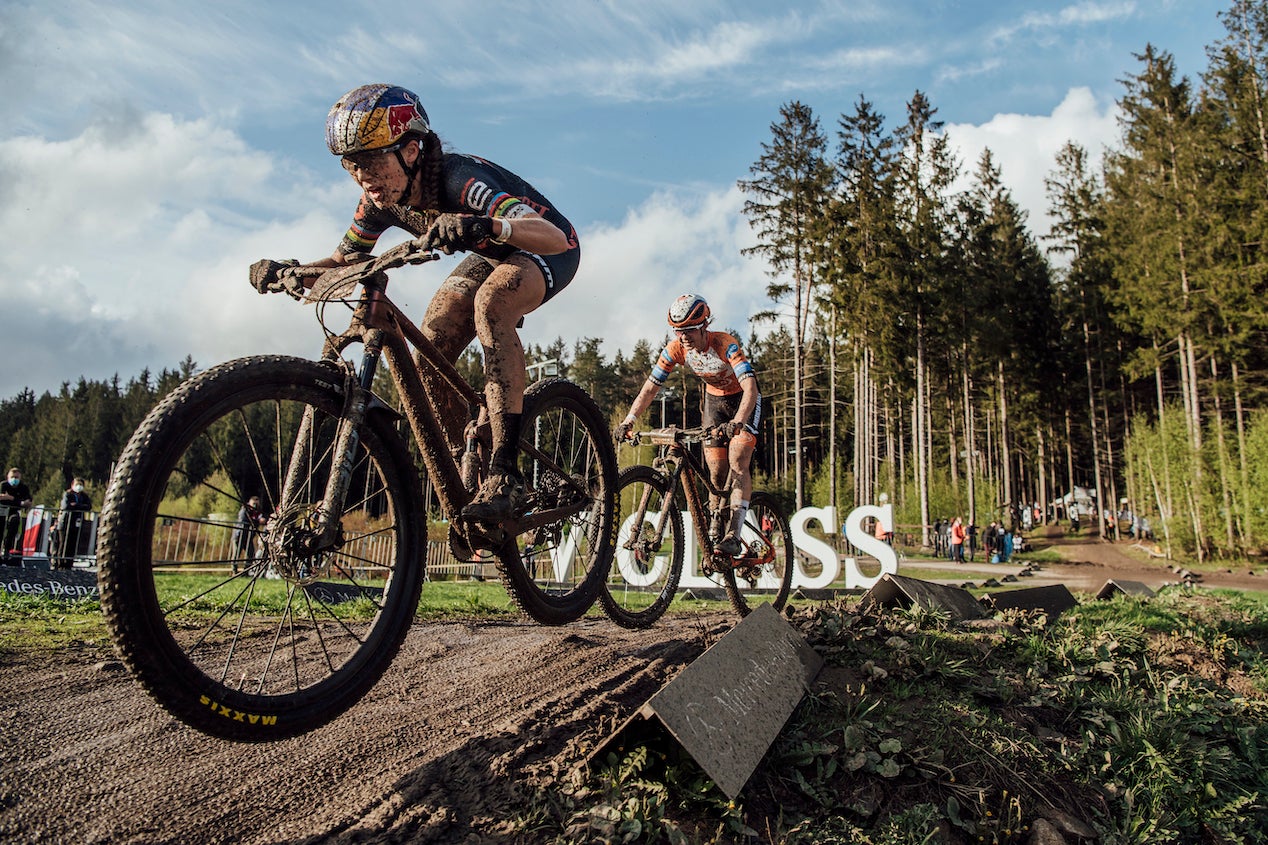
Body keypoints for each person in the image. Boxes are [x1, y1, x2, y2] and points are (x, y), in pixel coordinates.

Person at [250, 84, 580, 525]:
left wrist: (483, 223)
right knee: (432, 344)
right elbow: (343, 261)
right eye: (350, 163)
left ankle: (506, 472)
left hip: (543, 244)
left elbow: (553, 237)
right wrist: (288, 270)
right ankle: (471, 463)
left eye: (370, 159)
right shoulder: (377, 202)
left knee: (491, 304)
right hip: (490, 251)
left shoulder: (458, 178)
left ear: (410, 150)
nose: (361, 174)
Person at [615, 294, 760, 557]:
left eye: (689, 330)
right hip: (714, 403)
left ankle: (734, 535)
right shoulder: (675, 349)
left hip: (743, 401)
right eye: (678, 331)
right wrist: (629, 419)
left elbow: (750, 385)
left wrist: (739, 421)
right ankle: (716, 524)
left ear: (704, 325)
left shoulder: (725, 344)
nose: (683, 337)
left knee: (738, 460)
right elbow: (650, 388)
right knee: (716, 473)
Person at [53, 477, 92, 570]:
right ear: (72, 485)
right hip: (65, 522)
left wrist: (76, 506)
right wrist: (79, 506)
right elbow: (66, 506)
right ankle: (60, 564)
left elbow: (88, 507)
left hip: (77, 523)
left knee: (73, 544)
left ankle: (69, 564)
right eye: (77, 484)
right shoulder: (67, 494)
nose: (79, 487)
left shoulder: (84, 496)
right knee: (63, 543)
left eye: (81, 485)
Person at [0, 467, 33, 563]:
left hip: (14, 512)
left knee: (13, 525)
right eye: (12, 477)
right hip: (2, 511)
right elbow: (2, 498)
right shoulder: (3, 485)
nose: (14, 479)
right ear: (8, 477)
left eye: (16, 477)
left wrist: (11, 498)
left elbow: (27, 502)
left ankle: (7, 550)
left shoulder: (23, 488)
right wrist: (19, 502)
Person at [231, 496, 266, 573]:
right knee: (236, 554)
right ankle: (234, 571)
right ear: (249, 502)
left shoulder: (257, 512)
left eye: (256, 504)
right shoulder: (244, 510)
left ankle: (246, 571)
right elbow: (244, 520)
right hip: (239, 535)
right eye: (253, 504)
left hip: (248, 537)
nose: (255, 506)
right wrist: (258, 521)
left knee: (251, 554)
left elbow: (261, 519)